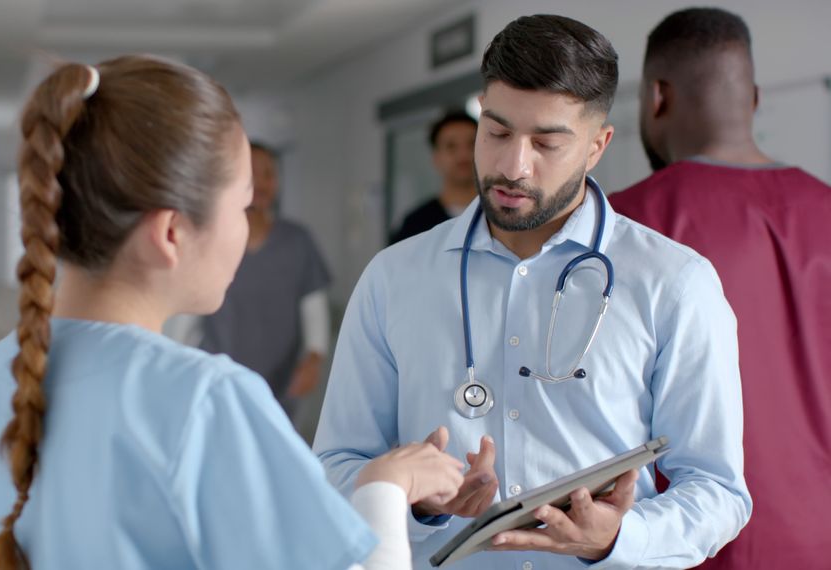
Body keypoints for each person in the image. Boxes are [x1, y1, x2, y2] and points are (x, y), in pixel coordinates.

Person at [0, 55, 467, 570]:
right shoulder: (206, 402)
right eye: (241, 207)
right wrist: (387, 488)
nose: (246, 231)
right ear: (171, 232)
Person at [314, 14, 752, 569]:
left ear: (597, 146)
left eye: (546, 142)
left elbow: (717, 490)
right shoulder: (394, 277)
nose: (512, 166)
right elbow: (334, 465)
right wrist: (409, 497)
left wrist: (619, 537)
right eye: (496, 131)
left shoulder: (674, 283)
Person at [610, 8, 831, 569]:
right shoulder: (826, 208)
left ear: (657, 96)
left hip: (683, 547)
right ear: (753, 99)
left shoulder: (624, 225)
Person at [196, 142, 333, 417]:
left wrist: (313, 359)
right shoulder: (210, 239)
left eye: (268, 174)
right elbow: (185, 318)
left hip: (281, 386)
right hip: (218, 381)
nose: (260, 182)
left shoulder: (297, 240)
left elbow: (314, 308)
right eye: (251, 174)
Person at [390, 111, 478, 244]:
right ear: (436, 158)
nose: (463, 155)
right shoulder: (415, 225)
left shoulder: (501, 217)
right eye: (451, 146)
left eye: (472, 144)